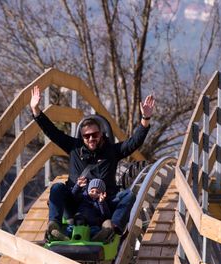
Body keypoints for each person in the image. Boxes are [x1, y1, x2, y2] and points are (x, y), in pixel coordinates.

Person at [30, 85, 155, 240]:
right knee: (56, 188)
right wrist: (36, 110)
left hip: (102, 202)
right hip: (76, 202)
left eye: (94, 135)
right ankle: (54, 227)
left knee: (129, 195)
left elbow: (134, 142)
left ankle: (111, 229)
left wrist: (145, 119)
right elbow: (52, 132)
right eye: (86, 136)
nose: (91, 139)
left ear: (101, 134)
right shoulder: (74, 148)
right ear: (82, 137)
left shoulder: (112, 151)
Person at [71, 177, 113, 242]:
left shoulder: (101, 202)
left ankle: (95, 239)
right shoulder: (84, 197)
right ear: (88, 190)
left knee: (95, 230)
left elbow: (105, 215)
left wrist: (101, 203)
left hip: (92, 225)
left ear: (102, 194)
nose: (94, 193)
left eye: (97, 192)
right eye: (92, 191)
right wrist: (78, 186)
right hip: (79, 222)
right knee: (70, 228)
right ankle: (65, 237)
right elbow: (73, 196)